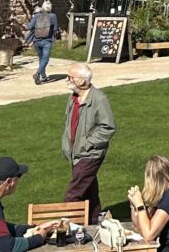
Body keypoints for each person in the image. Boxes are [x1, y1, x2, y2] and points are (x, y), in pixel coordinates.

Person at [62, 63, 116, 224]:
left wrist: (87, 143)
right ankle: (94, 222)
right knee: (89, 190)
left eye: (70, 77)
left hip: (90, 153)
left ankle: (68, 226)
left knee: (73, 193)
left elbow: (108, 127)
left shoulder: (99, 98)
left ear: (80, 80)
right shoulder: (73, 98)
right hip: (76, 153)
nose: (67, 80)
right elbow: (68, 123)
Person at [25, 2, 59, 86]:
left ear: (43, 8)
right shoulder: (53, 16)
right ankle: (38, 74)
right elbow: (55, 29)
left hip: (37, 41)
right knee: (45, 59)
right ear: (50, 8)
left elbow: (28, 27)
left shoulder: (36, 15)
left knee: (41, 58)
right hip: (47, 41)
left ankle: (43, 77)